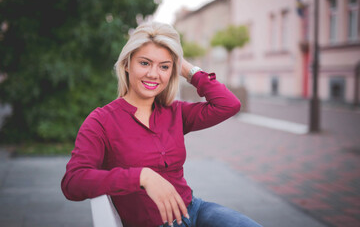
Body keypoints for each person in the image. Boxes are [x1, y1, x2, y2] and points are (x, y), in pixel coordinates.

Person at [61, 22, 262, 227]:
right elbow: (73, 182)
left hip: (194, 211)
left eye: (164, 66)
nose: (153, 74)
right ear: (127, 64)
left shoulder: (175, 112)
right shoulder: (101, 121)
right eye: (145, 63)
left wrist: (186, 68)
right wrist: (142, 176)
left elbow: (228, 104)